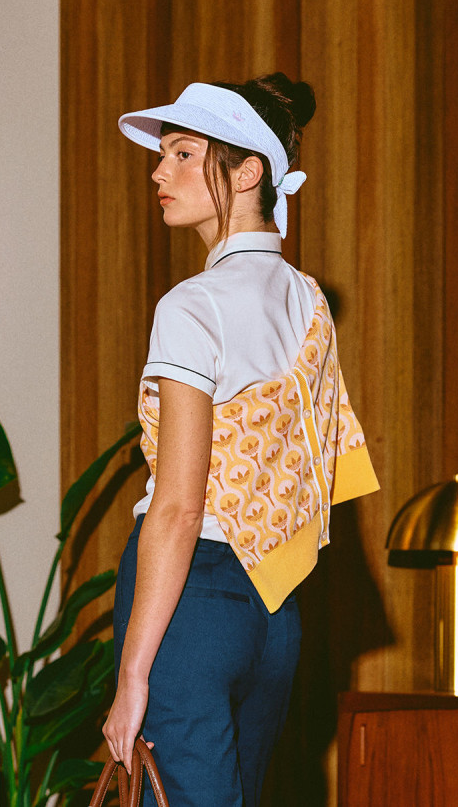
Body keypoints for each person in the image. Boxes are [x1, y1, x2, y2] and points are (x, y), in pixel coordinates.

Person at [103, 74, 378, 805]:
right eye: (161, 156)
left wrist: (132, 678)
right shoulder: (308, 299)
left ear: (248, 169)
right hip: (276, 610)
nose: (160, 172)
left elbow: (179, 508)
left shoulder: (191, 306)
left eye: (183, 154)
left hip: (186, 601)